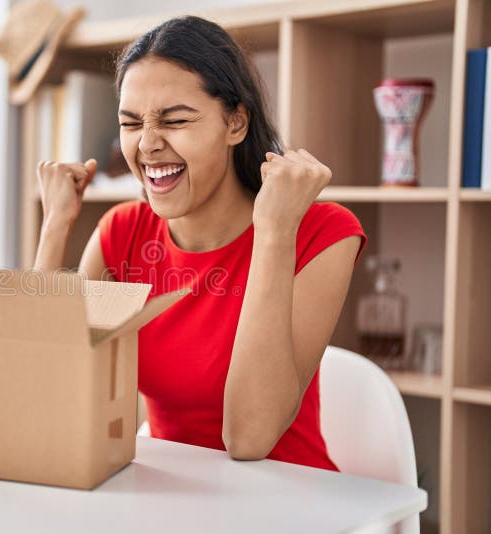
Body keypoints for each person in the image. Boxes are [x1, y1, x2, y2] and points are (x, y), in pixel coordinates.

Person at [33, 16, 366, 471]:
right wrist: (54, 227)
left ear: (236, 123)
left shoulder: (320, 232)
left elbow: (249, 437)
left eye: (176, 121)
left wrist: (272, 233)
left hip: (290, 501)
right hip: (171, 501)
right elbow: (44, 402)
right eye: (131, 123)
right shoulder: (123, 233)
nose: (148, 145)